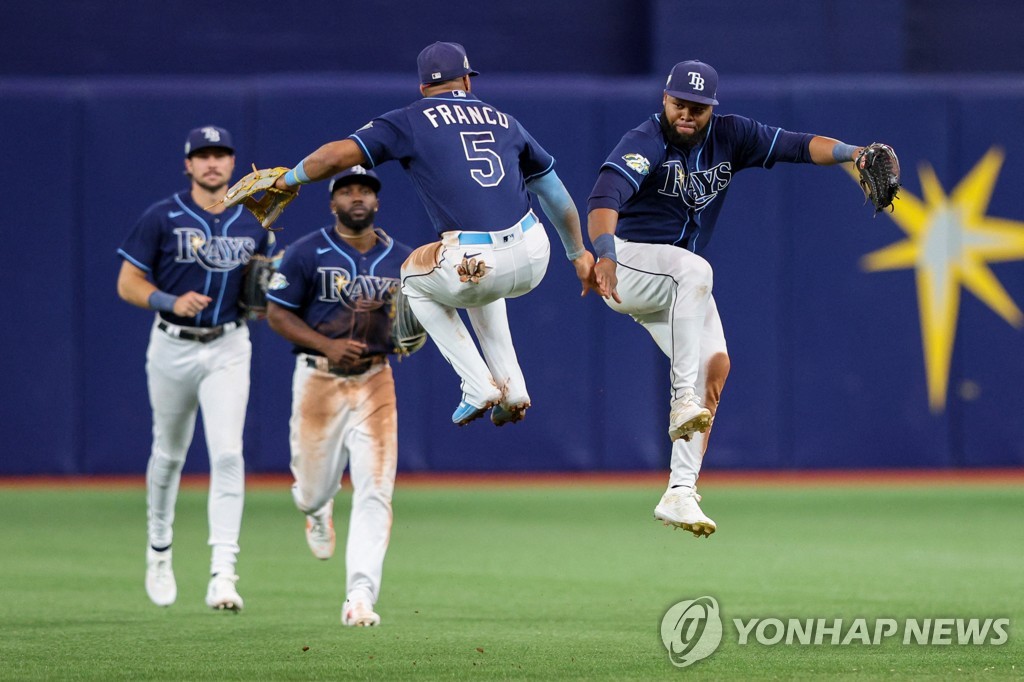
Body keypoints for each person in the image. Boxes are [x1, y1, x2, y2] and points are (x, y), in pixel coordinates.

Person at [587, 60, 891, 538]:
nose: (686, 114)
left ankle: (680, 492)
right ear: (664, 101)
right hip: (627, 265)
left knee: (716, 368)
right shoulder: (645, 141)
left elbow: (796, 145)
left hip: (674, 283)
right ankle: (680, 399)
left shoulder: (732, 135)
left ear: (712, 108)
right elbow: (604, 198)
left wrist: (852, 153)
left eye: (697, 107)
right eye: (678, 104)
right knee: (697, 270)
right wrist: (603, 254)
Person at [271, 41, 596, 427]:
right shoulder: (505, 120)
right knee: (482, 288)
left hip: (474, 259)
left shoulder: (411, 118)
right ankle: (513, 386)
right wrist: (577, 253)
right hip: (533, 253)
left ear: (423, 87)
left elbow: (333, 158)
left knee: (412, 276)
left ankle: (476, 384)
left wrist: (288, 179)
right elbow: (557, 197)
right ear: (467, 81)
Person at [117, 125, 276, 611]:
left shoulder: (255, 223)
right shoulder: (161, 216)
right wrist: (169, 299)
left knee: (228, 455)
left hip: (228, 345)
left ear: (232, 164)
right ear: (188, 165)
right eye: (202, 155)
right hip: (172, 346)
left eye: (221, 155)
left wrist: (268, 291)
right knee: (168, 454)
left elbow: (262, 294)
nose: (212, 163)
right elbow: (127, 283)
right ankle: (159, 550)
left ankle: (223, 574)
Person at [265, 167, 412, 627]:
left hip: (375, 379)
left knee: (375, 491)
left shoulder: (403, 259)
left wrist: (414, 331)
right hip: (319, 378)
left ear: (377, 201)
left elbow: (424, 315)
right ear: (332, 202)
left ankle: (360, 596)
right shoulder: (306, 252)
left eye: (364, 190)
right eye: (346, 190)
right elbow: (276, 313)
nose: (356, 197)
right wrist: (326, 344)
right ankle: (316, 509)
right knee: (311, 490)